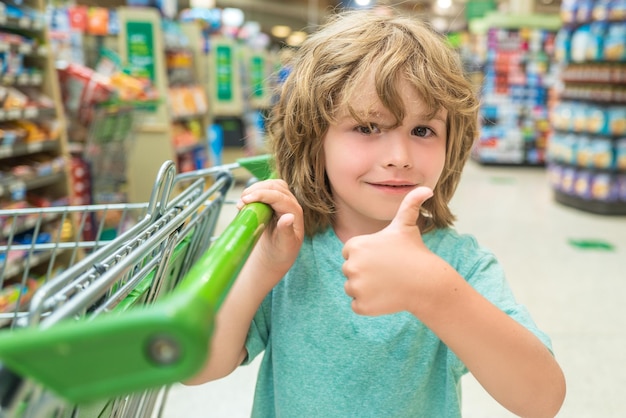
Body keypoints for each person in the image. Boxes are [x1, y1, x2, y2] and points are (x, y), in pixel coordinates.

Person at [186, 9, 566, 417]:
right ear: (315, 140)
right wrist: (263, 265)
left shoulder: (459, 266)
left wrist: (435, 294)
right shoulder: (286, 250)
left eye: (423, 131)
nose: (399, 157)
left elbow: (541, 400)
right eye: (367, 127)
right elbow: (197, 368)